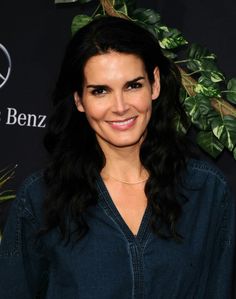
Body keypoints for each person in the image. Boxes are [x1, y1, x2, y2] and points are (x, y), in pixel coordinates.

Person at [0, 16, 235, 299]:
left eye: (133, 85)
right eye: (100, 91)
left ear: (155, 84)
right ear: (78, 100)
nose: (120, 107)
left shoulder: (205, 191)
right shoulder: (40, 198)